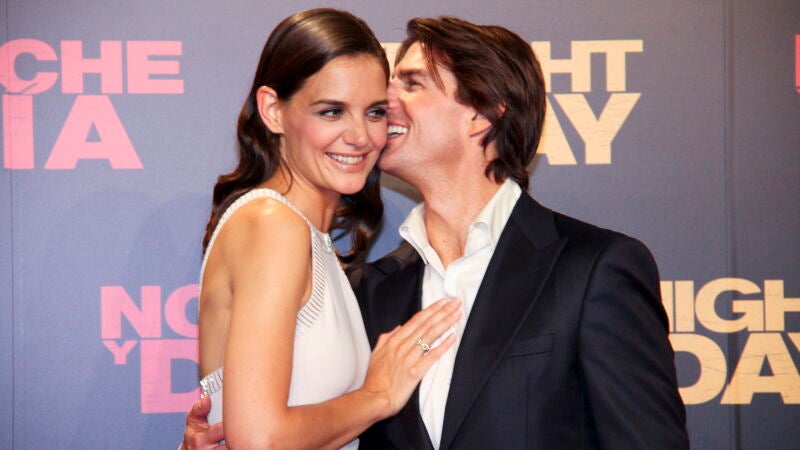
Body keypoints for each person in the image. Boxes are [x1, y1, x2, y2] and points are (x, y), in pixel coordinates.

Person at [185, 15, 689, 450]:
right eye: (339, 108)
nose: (386, 101)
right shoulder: (369, 292)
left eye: (412, 83)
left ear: (483, 113)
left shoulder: (593, 269)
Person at [192, 9, 461, 450]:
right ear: (273, 110)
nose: (360, 136)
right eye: (332, 111)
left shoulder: (303, 235)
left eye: (374, 112)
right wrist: (378, 395)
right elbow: (260, 440)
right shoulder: (272, 224)